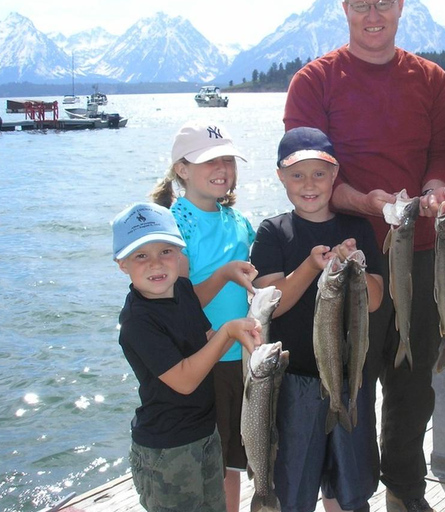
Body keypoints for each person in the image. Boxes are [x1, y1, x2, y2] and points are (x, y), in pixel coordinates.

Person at [283, 2, 445, 510]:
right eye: (361, 1)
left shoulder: (433, 80)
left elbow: (441, 156)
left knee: (413, 386)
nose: (373, 12)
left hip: (421, 256)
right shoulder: (313, 81)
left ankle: (405, 491)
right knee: (345, 378)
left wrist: (434, 189)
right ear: (344, 8)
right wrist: (370, 204)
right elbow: (310, 179)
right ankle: (346, 493)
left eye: (384, 0)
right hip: (346, 260)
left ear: (400, 6)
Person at [250, 127, 385, 512]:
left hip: (349, 380)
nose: (309, 184)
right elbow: (272, 302)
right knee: (293, 489)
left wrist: (355, 268)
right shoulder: (273, 232)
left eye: (320, 174)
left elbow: (374, 301)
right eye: (297, 175)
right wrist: (312, 266)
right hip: (294, 384)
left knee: (350, 489)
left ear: (335, 173)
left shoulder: (357, 227)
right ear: (280, 176)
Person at [112, 202, 261, 512]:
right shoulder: (137, 322)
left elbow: (206, 338)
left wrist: (249, 341)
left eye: (165, 251)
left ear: (180, 254)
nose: (156, 264)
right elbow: (184, 380)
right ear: (122, 264)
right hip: (167, 448)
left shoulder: (182, 289)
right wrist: (229, 332)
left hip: (206, 431)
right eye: (141, 256)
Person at [150, 121, 258, 512]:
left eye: (228, 159)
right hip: (205, 359)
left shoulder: (239, 221)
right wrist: (225, 273)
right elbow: (178, 301)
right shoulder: (173, 226)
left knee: (231, 456)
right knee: (207, 457)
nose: (223, 169)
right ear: (181, 169)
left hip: (242, 359)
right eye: (210, 160)